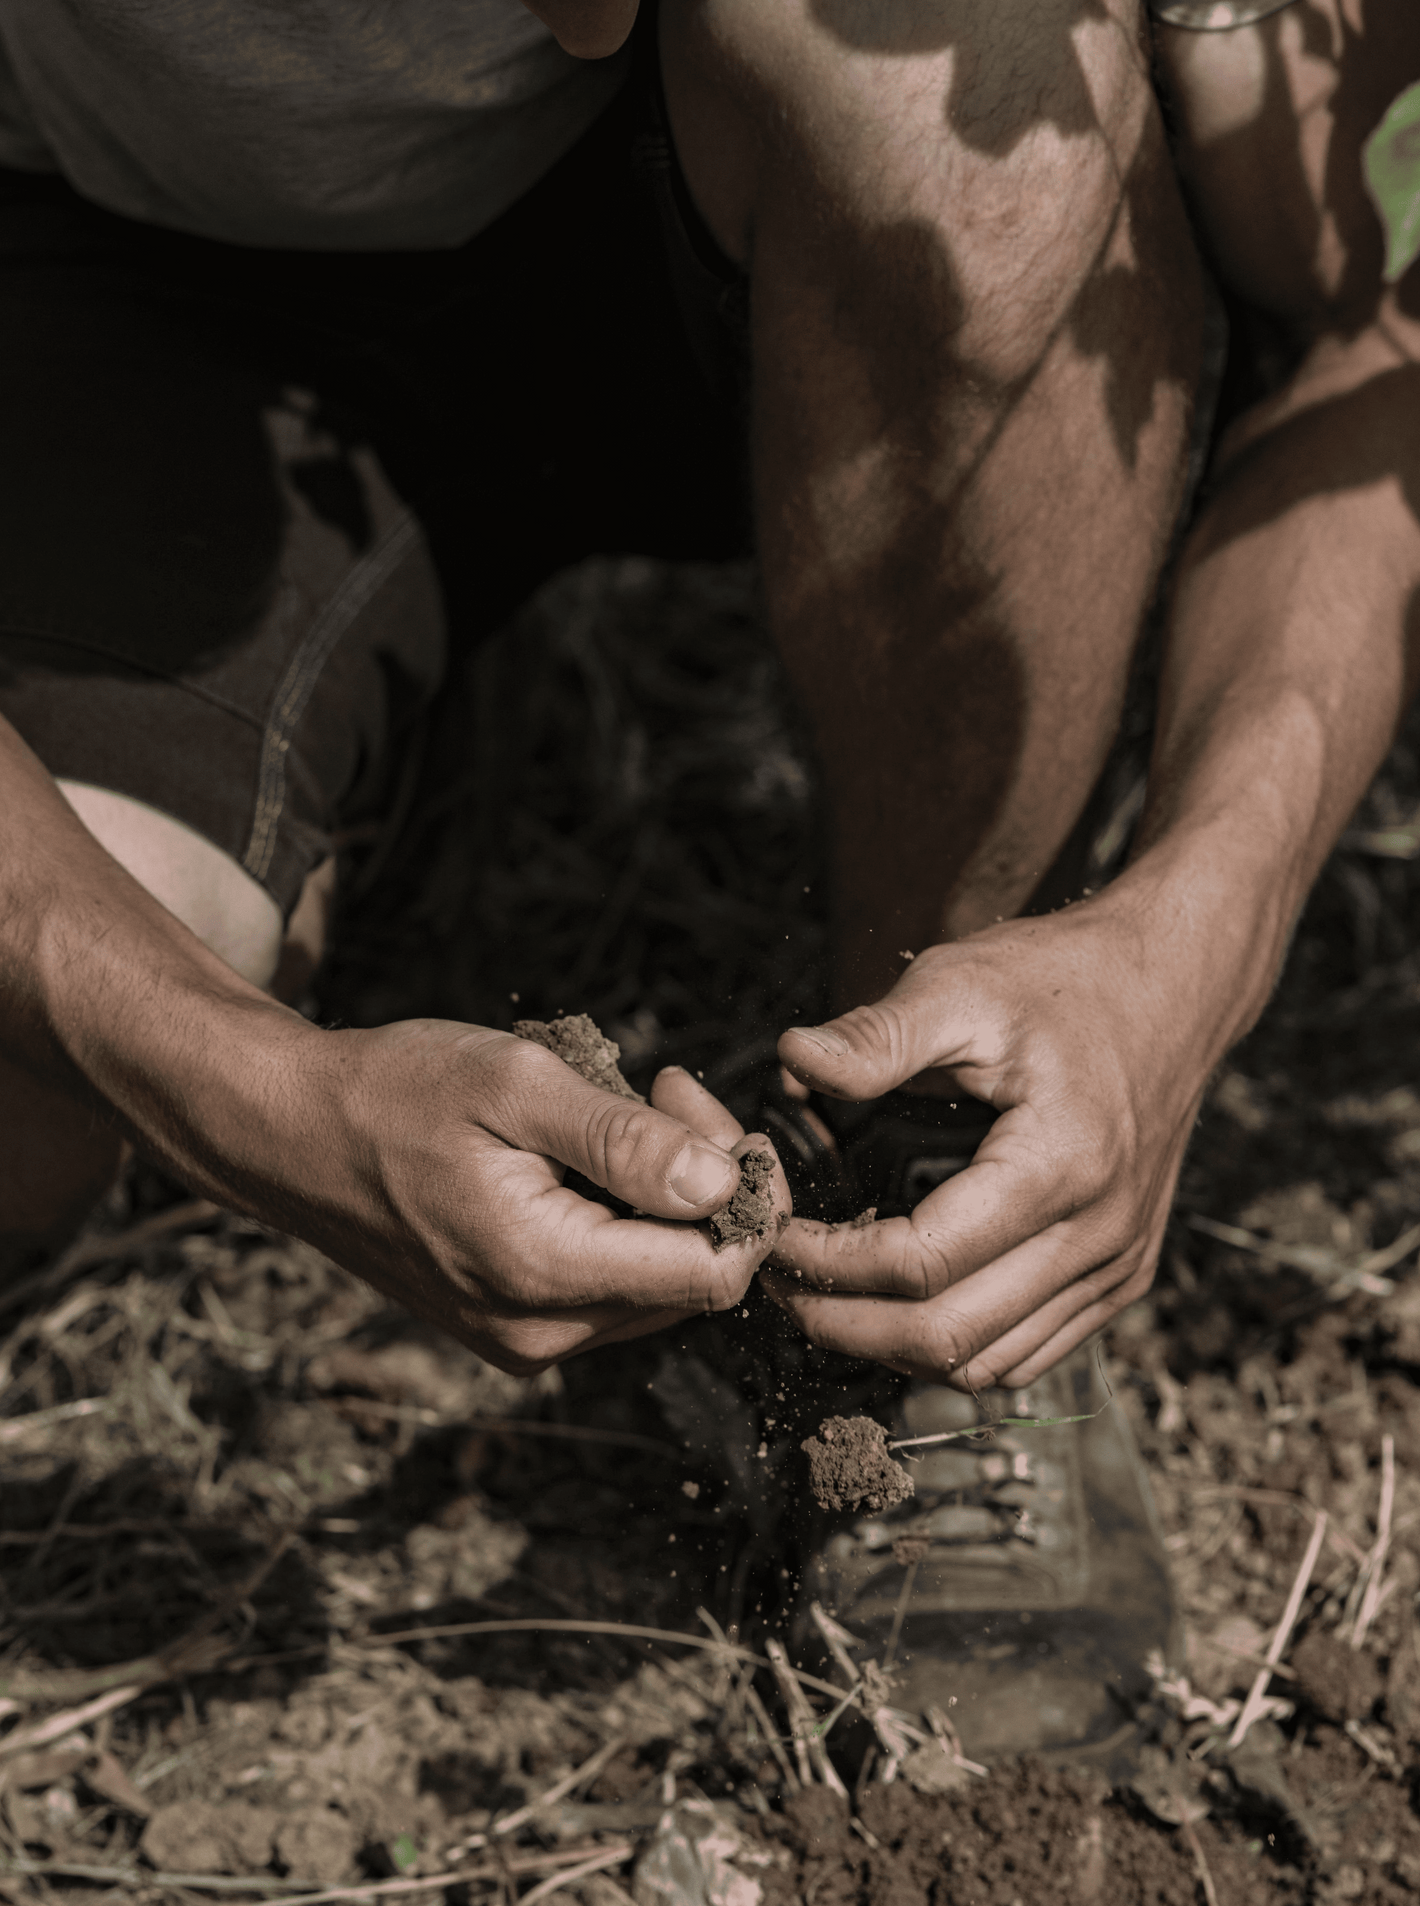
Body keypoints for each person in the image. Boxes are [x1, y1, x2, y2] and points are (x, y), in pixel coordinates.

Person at [0, 0, 1412, 1755]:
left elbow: (1381, 326)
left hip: (749, 219)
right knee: (27, 1103)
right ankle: (333, 708)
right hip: (132, 278)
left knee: (972, 93)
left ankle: (933, 1160)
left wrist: (1195, 931)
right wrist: (250, 1085)